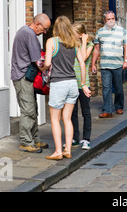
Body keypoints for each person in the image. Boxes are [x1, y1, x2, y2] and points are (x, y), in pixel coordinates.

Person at [43, 16, 91, 160]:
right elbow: (82, 64)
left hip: (59, 83)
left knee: (55, 119)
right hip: (72, 83)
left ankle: (58, 151)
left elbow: (47, 63)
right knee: (67, 119)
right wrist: (83, 84)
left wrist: (42, 67)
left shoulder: (51, 42)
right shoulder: (74, 43)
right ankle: (68, 150)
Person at [11, 13, 51, 153]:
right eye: (44, 28)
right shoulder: (29, 34)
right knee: (28, 110)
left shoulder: (24, 31)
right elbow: (39, 62)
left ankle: (34, 138)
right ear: (38, 24)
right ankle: (26, 142)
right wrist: (49, 66)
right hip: (22, 77)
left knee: (32, 108)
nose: (45, 32)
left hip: (23, 76)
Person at [92, 11, 127, 118]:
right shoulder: (100, 32)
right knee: (106, 88)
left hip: (118, 64)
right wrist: (93, 63)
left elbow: (126, 46)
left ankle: (119, 107)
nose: (111, 21)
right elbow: (96, 49)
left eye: (112, 18)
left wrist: (126, 60)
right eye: (108, 19)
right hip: (105, 65)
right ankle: (107, 110)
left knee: (118, 87)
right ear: (105, 20)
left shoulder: (122, 31)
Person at [71, 22, 94, 150]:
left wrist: (84, 42)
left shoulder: (89, 44)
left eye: (74, 33)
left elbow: (83, 58)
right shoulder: (72, 45)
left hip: (84, 83)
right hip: (72, 82)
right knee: (72, 112)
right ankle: (75, 138)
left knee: (86, 112)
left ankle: (86, 139)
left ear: (80, 35)